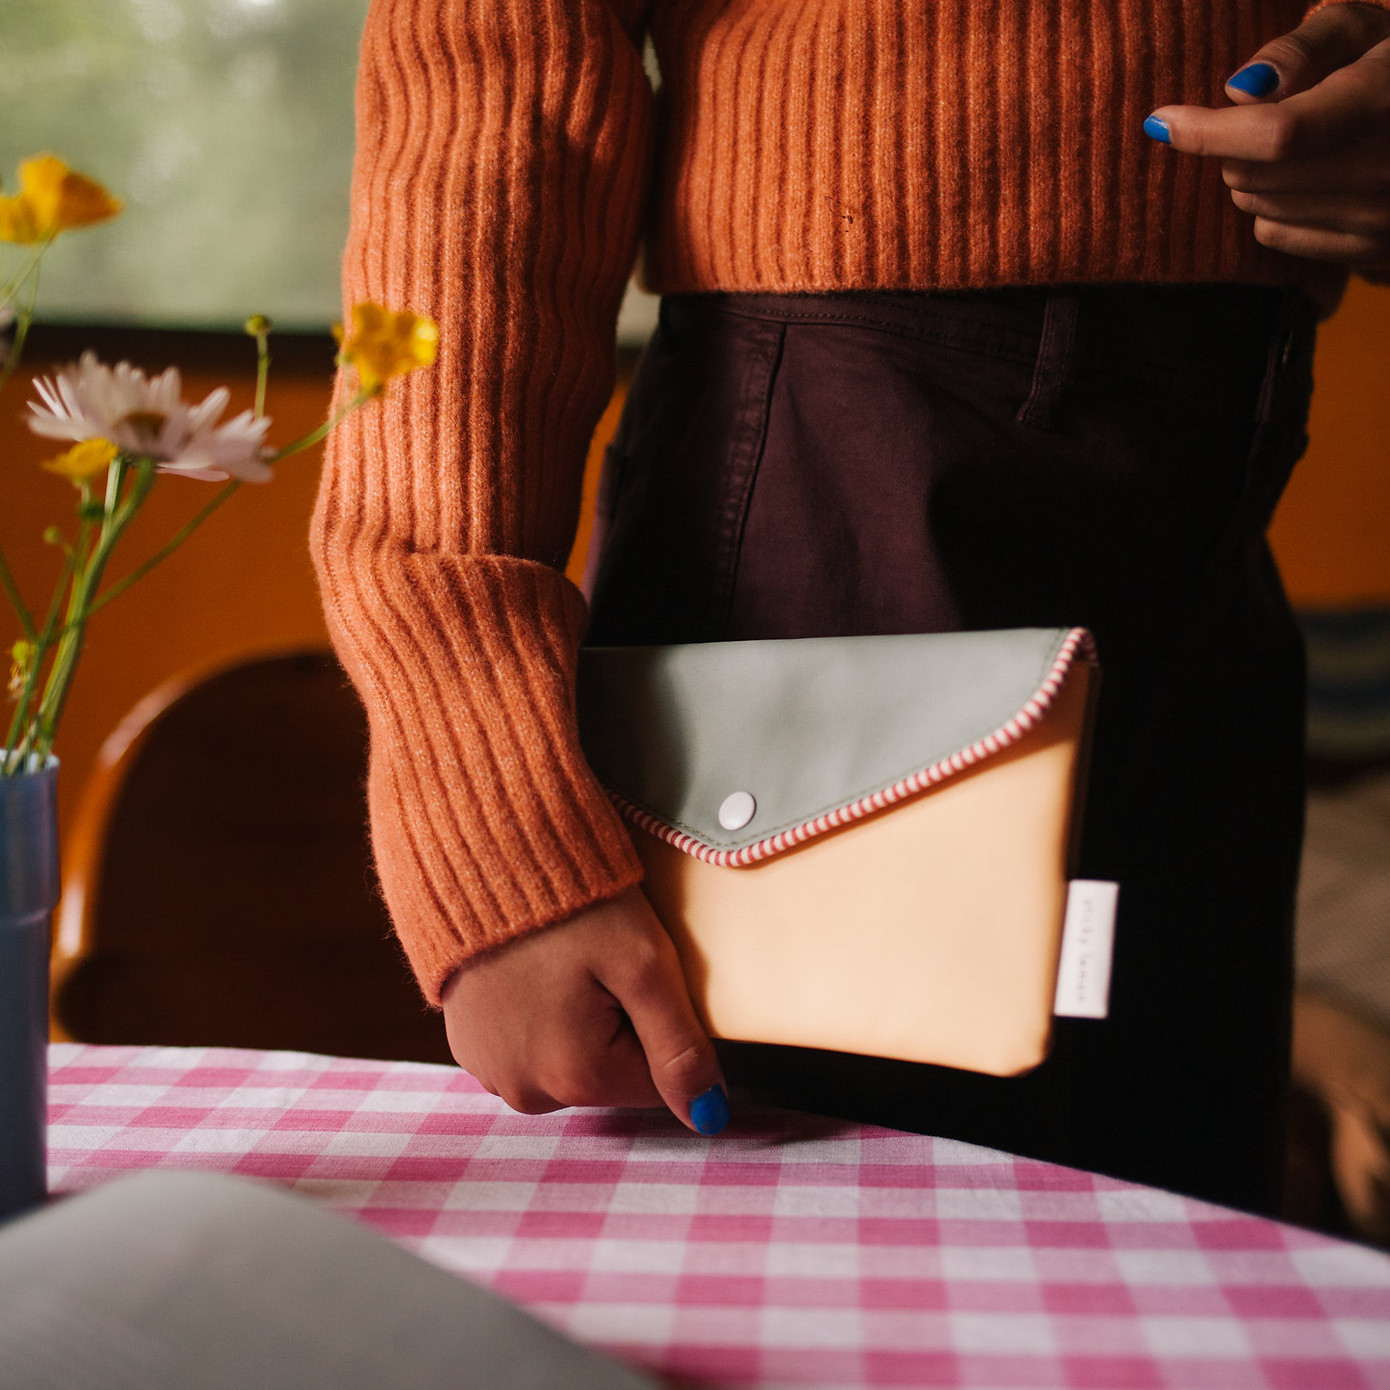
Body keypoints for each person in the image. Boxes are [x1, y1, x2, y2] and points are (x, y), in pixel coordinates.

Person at [313, 0, 1390, 1214]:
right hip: (840, 479)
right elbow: (481, 86)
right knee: (772, 1280)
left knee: (1174, 1298)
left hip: (1216, 497)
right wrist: (483, 801)